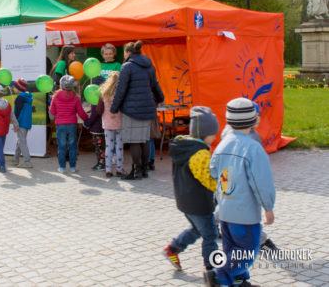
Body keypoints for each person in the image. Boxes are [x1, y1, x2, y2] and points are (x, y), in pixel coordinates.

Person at [208, 98, 276, 287]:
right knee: (247, 252)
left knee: (232, 250)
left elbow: (213, 172)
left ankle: (238, 282)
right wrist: (268, 207)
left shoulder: (222, 144)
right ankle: (218, 276)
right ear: (253, 121)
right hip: (245, 214)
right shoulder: (253, 148)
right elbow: (262, 182)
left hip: (225, 211)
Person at [163, 106, 219, 275]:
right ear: (204, 134)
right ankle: (212, 269)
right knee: (210, 234)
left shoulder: (184, 147)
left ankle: (173, 249)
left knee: (197, 228)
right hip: (199, 203)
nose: (215, 137)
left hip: (185, 200)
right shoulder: (200, 154)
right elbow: (208, 179)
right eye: (213, 134)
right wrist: (225, 188)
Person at [110, 40, 164, 180]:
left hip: (131, 109)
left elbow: (120, 90)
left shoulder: (127, 67)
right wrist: (161, 98)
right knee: (144, 140)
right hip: (147, 108)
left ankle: (136, 171)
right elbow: (155, 85)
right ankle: (144, 169)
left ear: (128, 52)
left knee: (134, 141)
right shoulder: (149, 66)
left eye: (124, 52)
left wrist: (113, 108)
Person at [49, 75, 89, 173]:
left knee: (61, 147)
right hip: (72, 125)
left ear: (61, 85)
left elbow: (52, 113)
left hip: (60, 125)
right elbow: (81, 112)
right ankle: (73, 167)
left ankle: (62, 168)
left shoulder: (55, 97)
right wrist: (87, 120)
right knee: (72, 147)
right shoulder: (76, 97)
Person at [98, 72, 123, 177]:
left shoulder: (104, 91)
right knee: (119, 146)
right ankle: (119, 169)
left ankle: (108, 170)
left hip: (107, 122)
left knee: (109, 146)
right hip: (120, 122)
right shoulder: (121, 92)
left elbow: (99, 109)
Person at [85, 76, 106, 171]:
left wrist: (87, 123)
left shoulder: (95, 98)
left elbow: (94, 115)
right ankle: (105, 163)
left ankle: (101, 163)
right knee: (104, 146)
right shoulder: (105, 96)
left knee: (98, 147)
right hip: (105, 126)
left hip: (97, 128)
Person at [12, 78, 33, 168]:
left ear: (18, 88)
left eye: (14, 86)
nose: (13, 88)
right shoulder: (26, 97)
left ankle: (27, 161)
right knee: (20, 140)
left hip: (21, 122)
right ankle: (16, 158)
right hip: (26, 122)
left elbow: (17, 112)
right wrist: (16, 102)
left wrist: (15, 124)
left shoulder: (20, 98)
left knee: (22, 141)